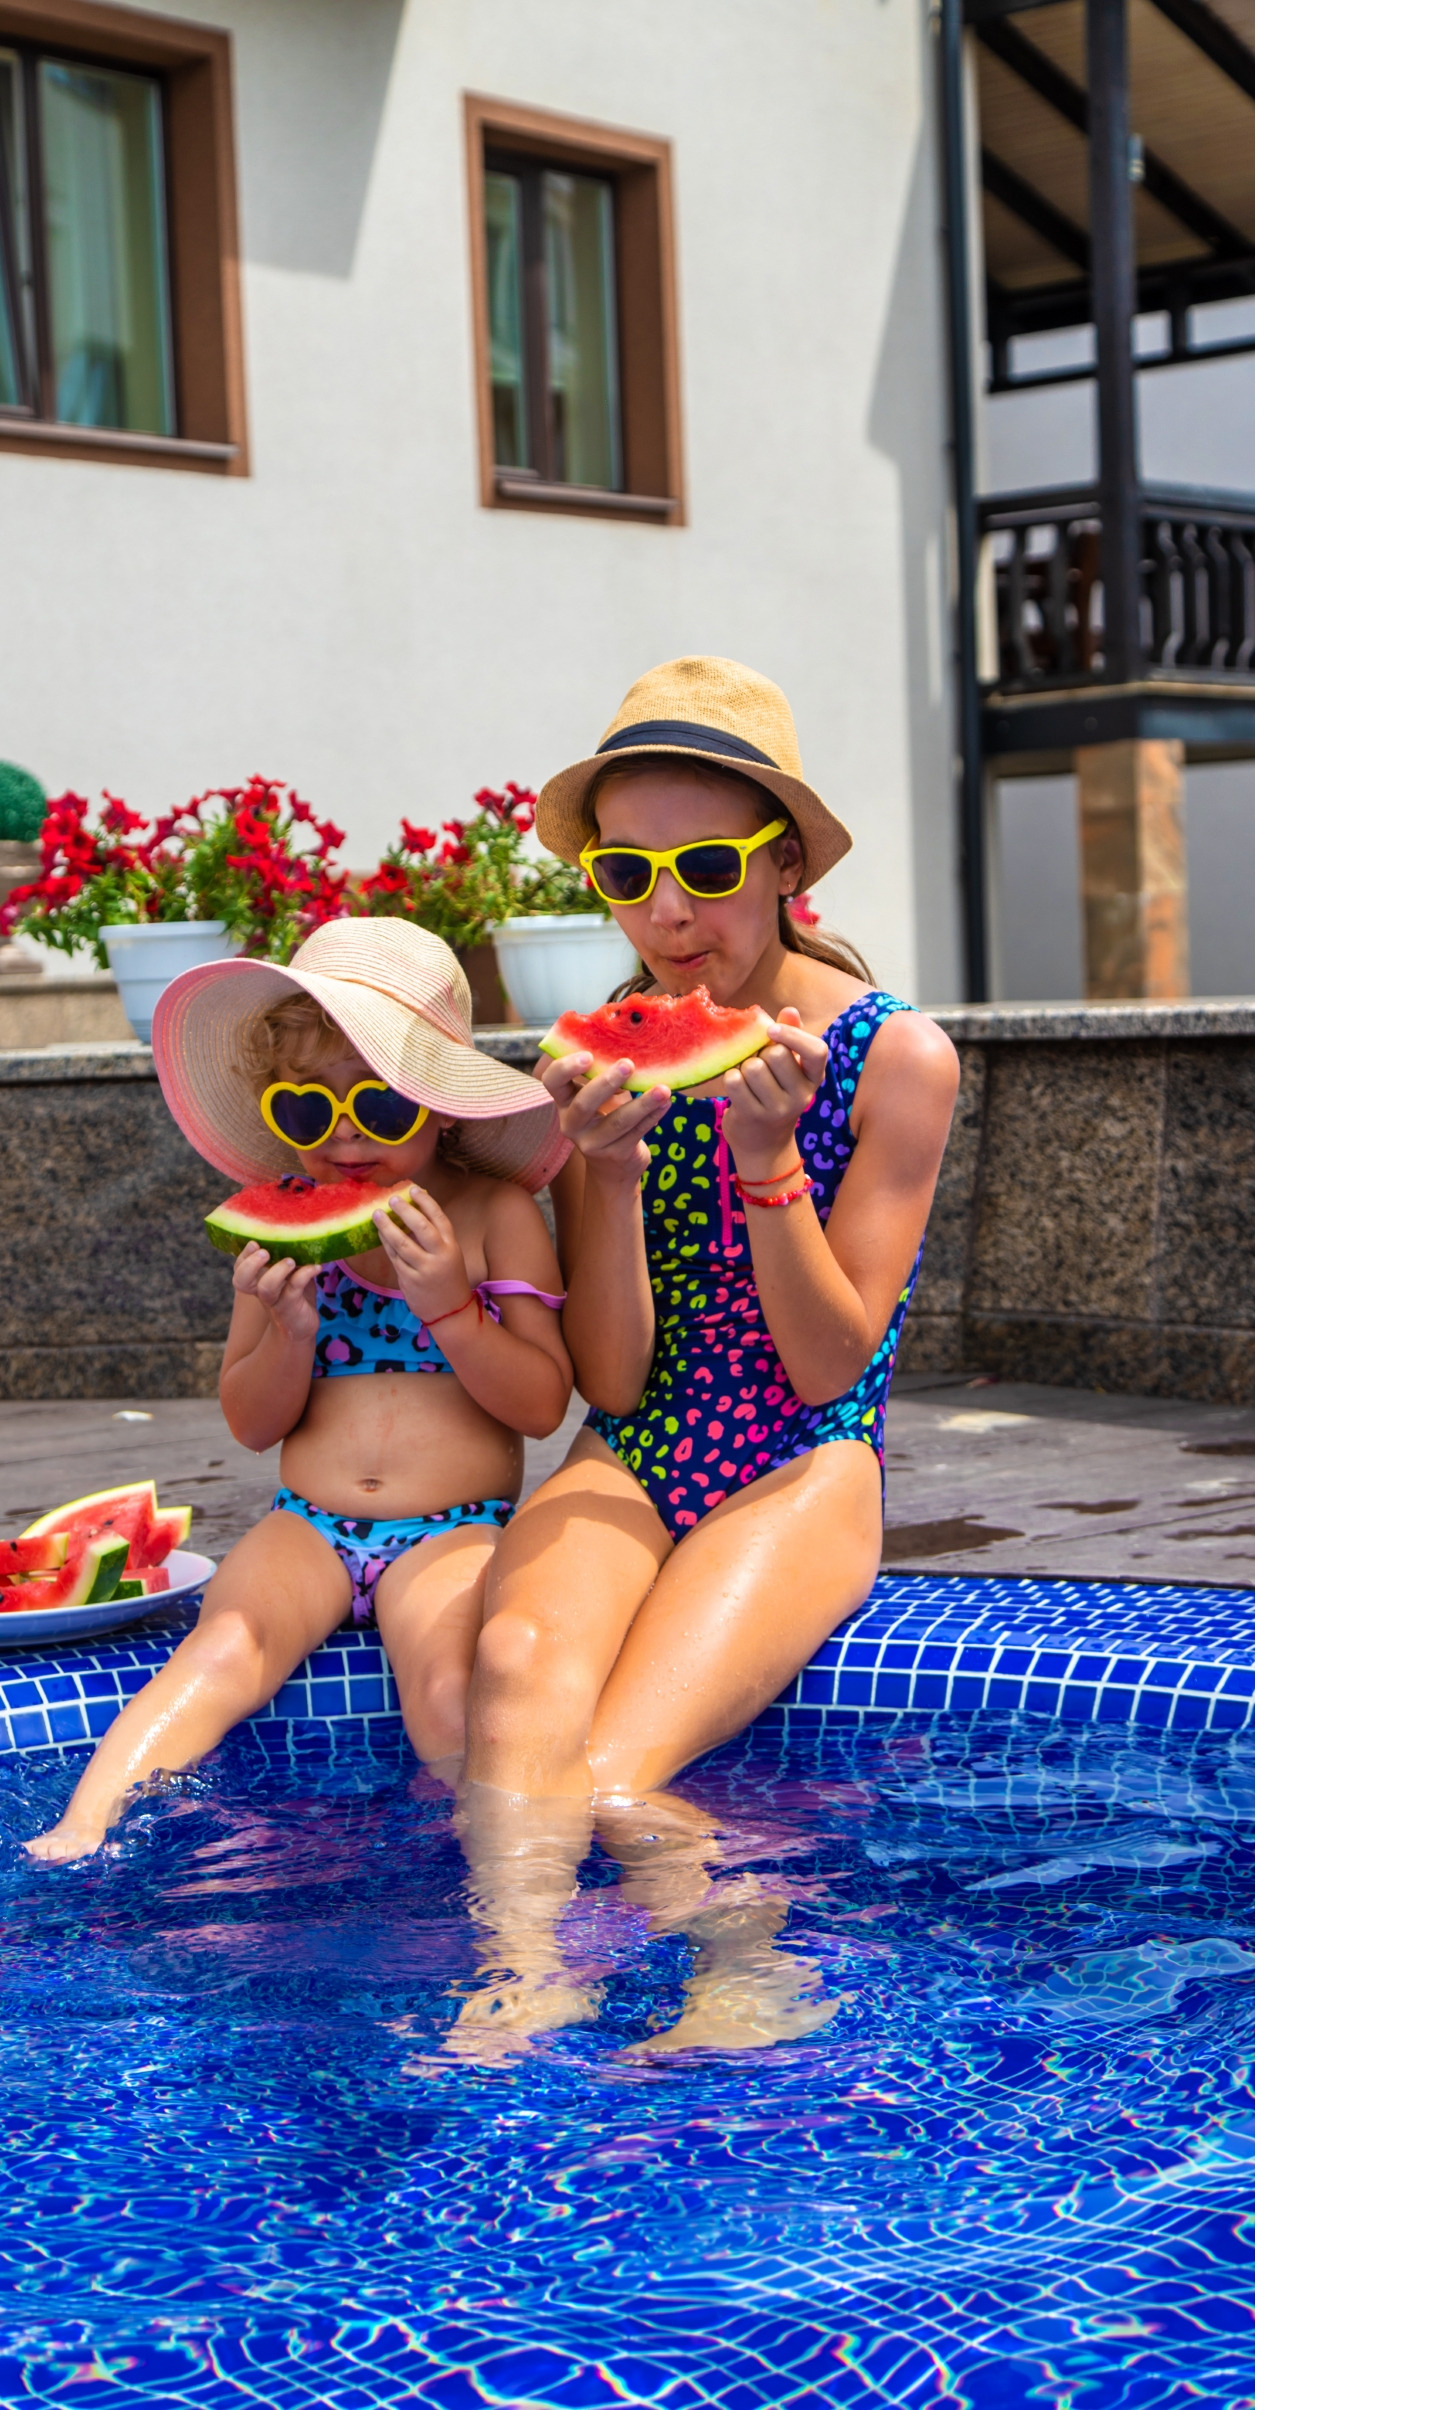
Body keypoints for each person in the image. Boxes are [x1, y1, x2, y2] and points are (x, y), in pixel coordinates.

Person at [450, 656, 961, 2054]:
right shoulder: (599, 1071)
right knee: (517, 1666)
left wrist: (768, 1159)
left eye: (707, 867)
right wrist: (605, 1176)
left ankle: (749, 1964)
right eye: (626, 873)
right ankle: (523, 1972)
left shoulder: (896, 1058)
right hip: (641, 1441)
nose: (667, 914)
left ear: (784, 861)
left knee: (613, 1771)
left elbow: (827, 1366)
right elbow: (613, 1382)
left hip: (801, 1459)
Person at [26, 917, 578, 1863]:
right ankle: (82, 1830)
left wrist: (451, 1306)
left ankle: (503, 1873)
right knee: (221, 1651)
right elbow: (252, 1422)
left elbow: (540, 1404)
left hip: (453, 1530)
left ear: (443, 1105)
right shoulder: (280, 1230)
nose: (346, 1135)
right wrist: (289, 1333)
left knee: (448, 1693)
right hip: (305, 1525)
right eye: (308, 1110)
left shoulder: (496, 1216)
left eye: (381, 1105)